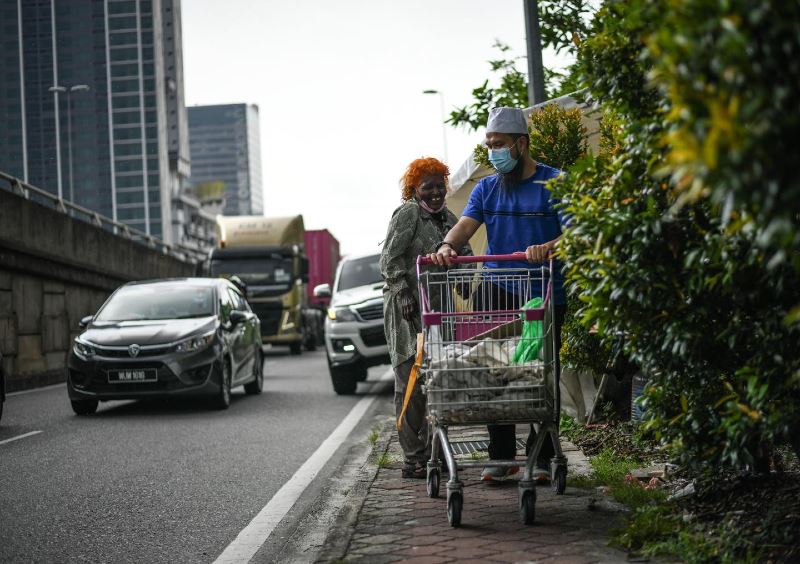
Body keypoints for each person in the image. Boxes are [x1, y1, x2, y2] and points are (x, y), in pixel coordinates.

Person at [429, 106, 568, 482]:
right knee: (493, 371)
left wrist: (550, 245)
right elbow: (465, 225)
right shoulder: (488, 188)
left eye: (500, 144)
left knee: (538, 374)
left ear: (521, 144)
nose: (494, 152)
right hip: (496, 290)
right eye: (489, 145)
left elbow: (577, 232)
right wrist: (447, 246)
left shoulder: (555, 183)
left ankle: (543, 456)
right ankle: (502, 454)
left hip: (542, 295)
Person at [381, 157, 471, 479]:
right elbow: (389, 258)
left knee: (438, 382)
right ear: (415, 189)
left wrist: (463, 277)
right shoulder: (408, 214)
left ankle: (434, 451)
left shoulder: (449, 219)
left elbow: (467, 256)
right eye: (427, 186)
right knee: (411, 382)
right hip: (406, 311)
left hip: (439, 309)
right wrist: (404, 291)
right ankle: (412, 457)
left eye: (439, 185)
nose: (435, 192)